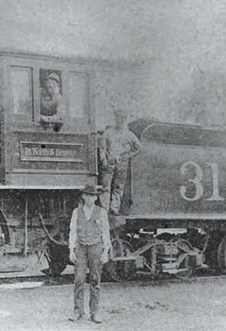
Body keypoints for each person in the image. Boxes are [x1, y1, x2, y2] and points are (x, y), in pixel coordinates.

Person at [68, 184, 110, 323]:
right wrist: (71, 249)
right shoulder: (76, 212)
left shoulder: (101, 212)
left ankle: (95, 313)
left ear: (96, 197)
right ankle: (78, 311)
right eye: (88, 195)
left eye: (93, 196)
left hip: (96, 248)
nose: (90, 198)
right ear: (83, 196)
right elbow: (72, 231)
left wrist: (105, 251)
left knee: (95, 280)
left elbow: (105, 232)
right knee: (79, 280)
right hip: (80, 248)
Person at [98, 109, 142, 215]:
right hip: (109, 163)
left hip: (122, 164)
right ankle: (104, 208)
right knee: (106, 186)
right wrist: (103, 159)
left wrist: (127, 156)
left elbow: (138, 148)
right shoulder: (108, 133)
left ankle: (114, 208)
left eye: (122, 119)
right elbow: (102, 148)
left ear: (125, 120)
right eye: (118, 118)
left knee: (118, 187)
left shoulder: (129, 135)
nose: (120, 121)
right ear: (115, 119)